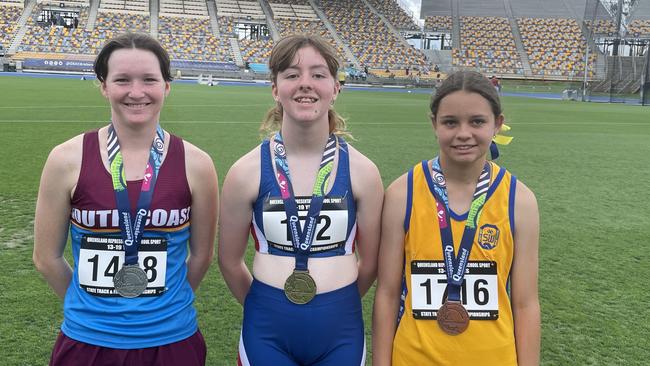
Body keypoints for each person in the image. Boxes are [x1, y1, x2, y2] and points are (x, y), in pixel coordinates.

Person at [33, 32, 219, 365]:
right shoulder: (65, 159)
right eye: (122, 80)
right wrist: (89, 306)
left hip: (172, 340)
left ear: (166, 86)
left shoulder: (197, 164)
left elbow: (202, 257)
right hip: (86, 341)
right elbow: (46, 258)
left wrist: (161, 307)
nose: (136, 92)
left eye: (149, 79)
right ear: (104, 85)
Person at [218, 34, 383, 365]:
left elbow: (372, 263)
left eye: (318, 75)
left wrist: (335, 301)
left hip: (341, 329)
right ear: (275, 89)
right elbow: (229, 262)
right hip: (267, 329)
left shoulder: (363, 172)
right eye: (292, 75)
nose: (305, 84)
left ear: (335, 88)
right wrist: (267, 304)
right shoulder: (245, 172)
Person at [373, 70, 540, 366]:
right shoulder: (402, 194)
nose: (464, 133)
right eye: (451, 122)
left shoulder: (520, 200)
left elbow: (526, 304)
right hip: (413, 358)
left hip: (494, 358)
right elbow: (386, 294)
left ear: (497, 124)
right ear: (434, 124)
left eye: (477, 121)